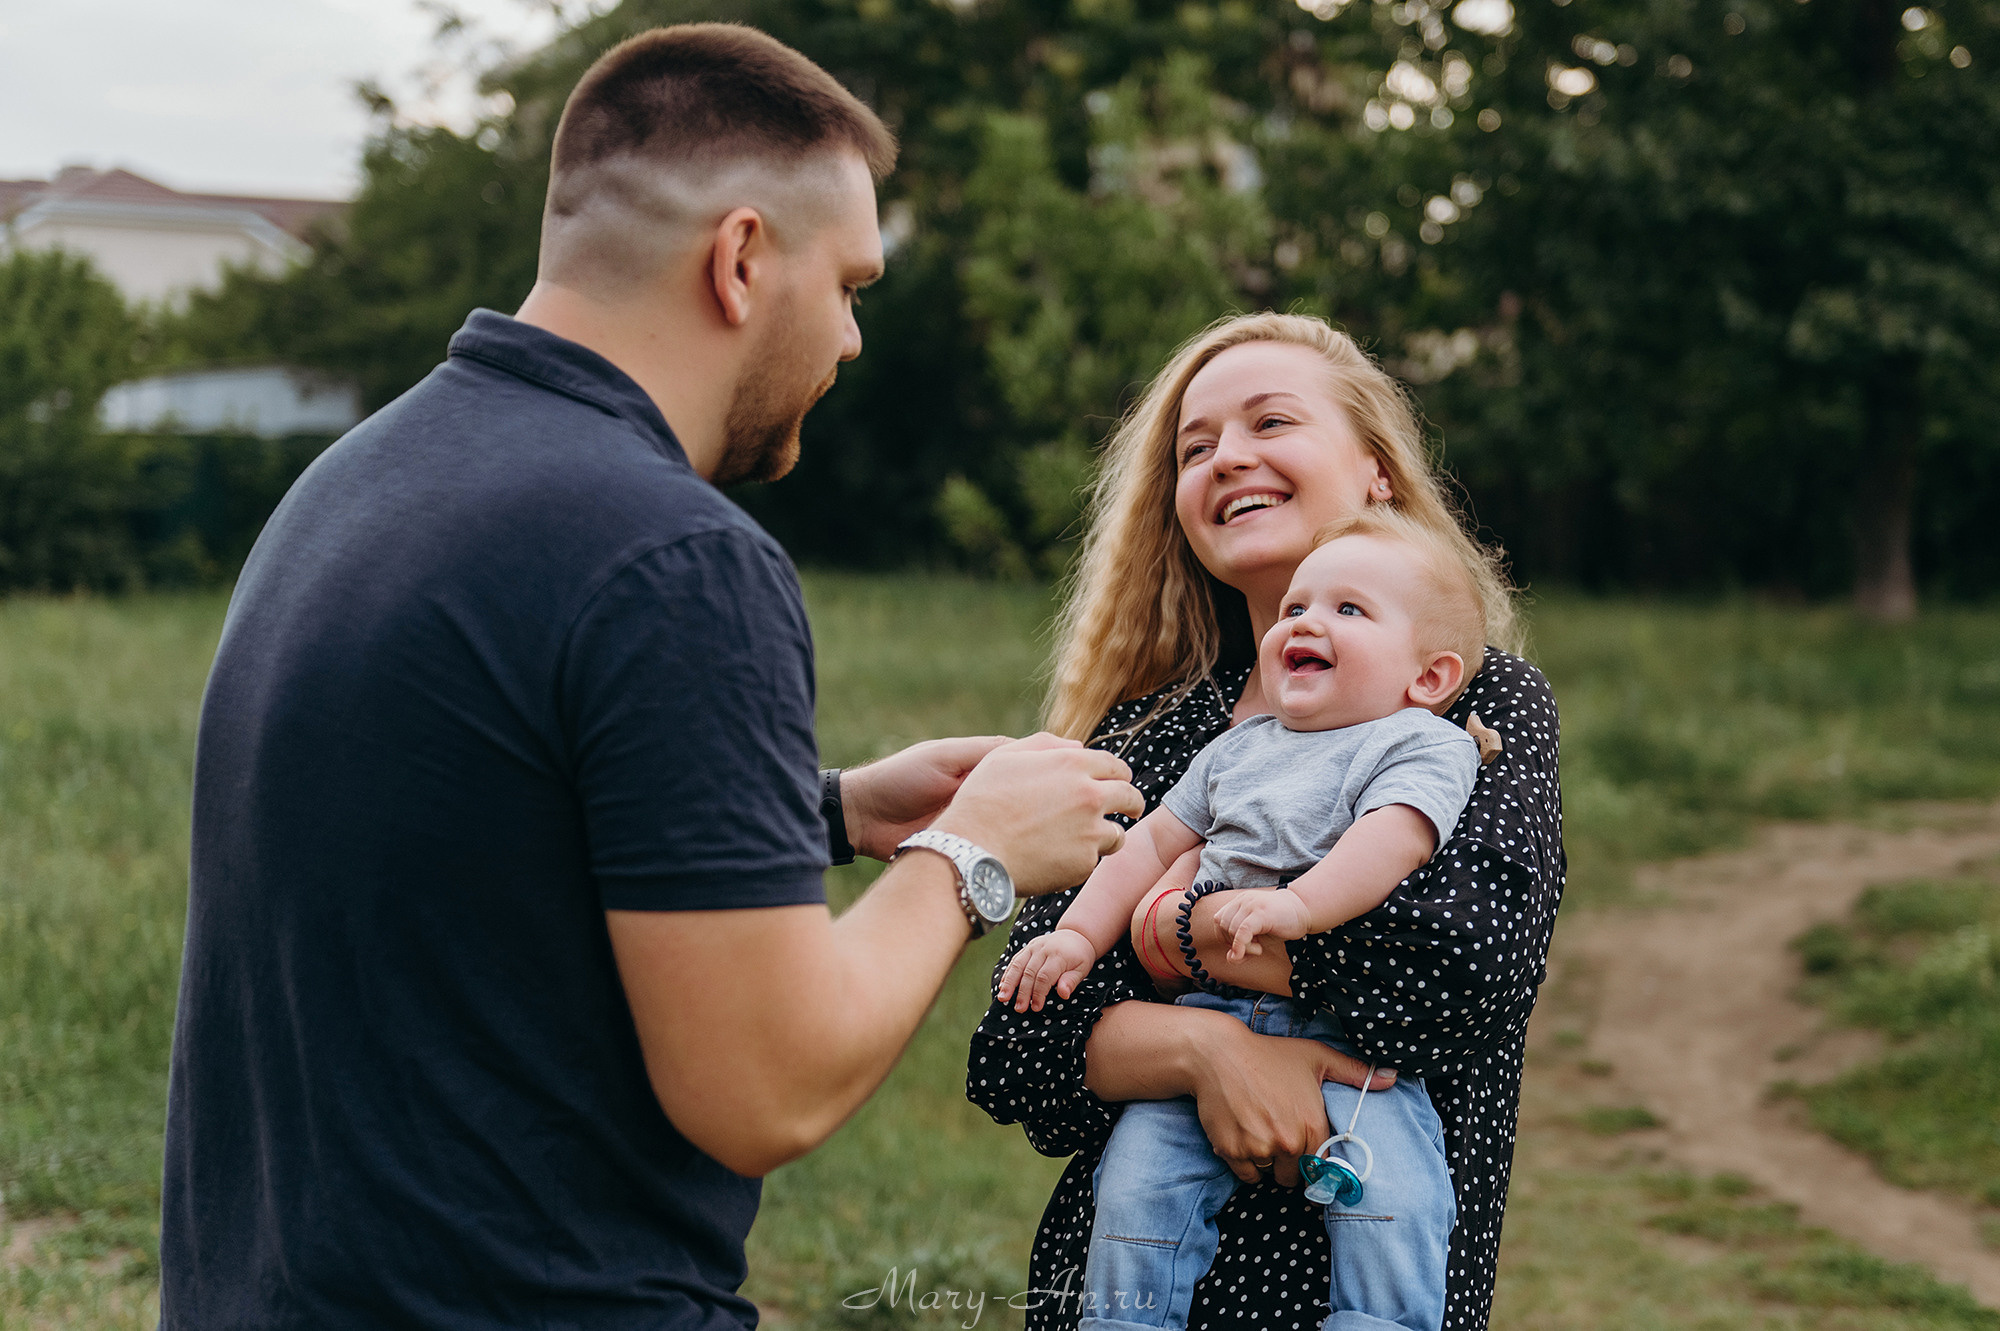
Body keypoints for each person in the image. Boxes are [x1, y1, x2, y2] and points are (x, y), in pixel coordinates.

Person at [159, 24, 1142, 1329]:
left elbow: (476, 835)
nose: (851, 339)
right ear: (740, 259)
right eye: (850, 285)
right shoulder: (675, 556)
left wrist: (830, 807)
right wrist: (972, 854)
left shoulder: (360, 480)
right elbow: (764, 1085)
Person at [967, 313, 1564, 1331]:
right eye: (1193, 447)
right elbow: (1021, 1050)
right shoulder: (1148, 734)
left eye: (1268, 421)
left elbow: (1458, 975)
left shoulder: (1467, 709)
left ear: (1377, 472)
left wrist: (1170, 933)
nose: (1226, 457)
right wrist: (1216, 1054)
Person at [997, 509, 1497, 1331]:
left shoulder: (1418, 740)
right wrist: (1077, 933)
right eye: (1297, 606)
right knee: (1133, 1185)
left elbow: (1394, 837)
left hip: (1344, 1041)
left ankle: (1380, 1321)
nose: (1305, 620)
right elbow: (1149, 843)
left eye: (1348, 610)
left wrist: (1297, 906)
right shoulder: (1238, 746)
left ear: (1430, 676)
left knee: (1397, 1193)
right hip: (1204, 1014)